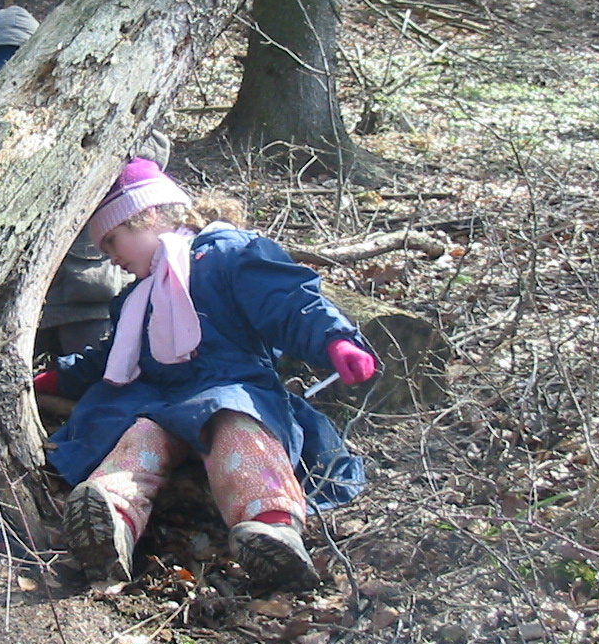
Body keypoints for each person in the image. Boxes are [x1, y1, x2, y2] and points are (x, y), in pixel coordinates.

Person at [32, 158, 374, 587]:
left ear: (148, 215)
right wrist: (58, 378)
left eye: (113, 241)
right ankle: (111, 519)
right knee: (141, 437)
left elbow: (286, 301)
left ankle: (272, 528)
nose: (111, 258)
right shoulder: (136, 300)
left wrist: (335, 339)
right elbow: (109, 358)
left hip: (232, 389)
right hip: (160, 403)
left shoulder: (230, 256)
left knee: (238, 428)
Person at [0, 6, 168, 355]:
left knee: (94, 381)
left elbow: (150, 153)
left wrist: (89, 124)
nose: (5, 80)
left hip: (91, 296)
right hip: (12, 307)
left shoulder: (86, 108)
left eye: (14, 66)